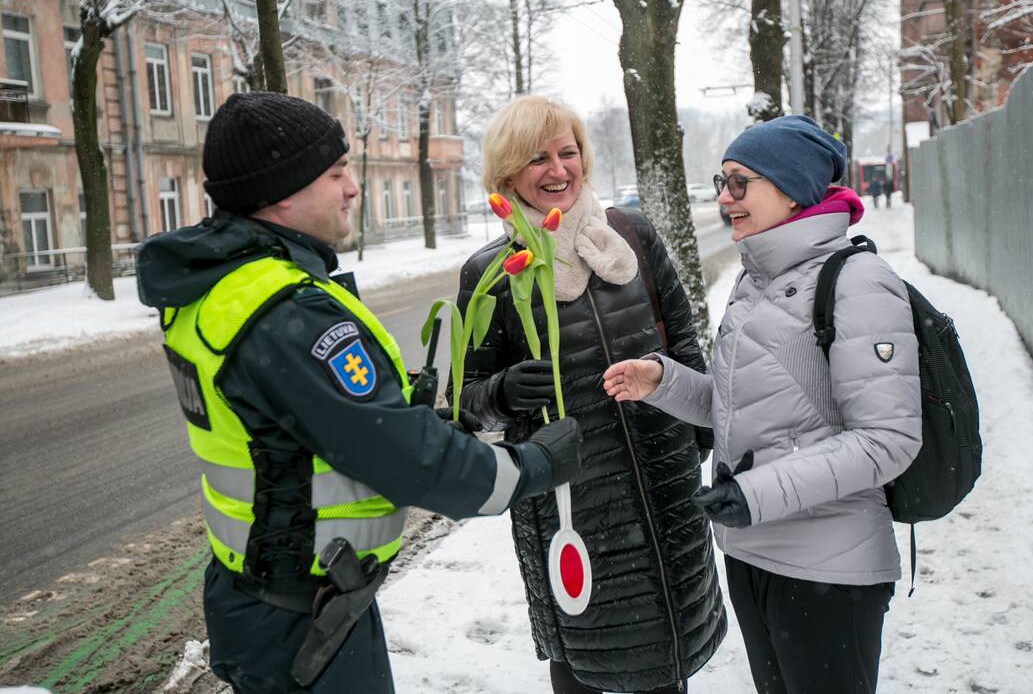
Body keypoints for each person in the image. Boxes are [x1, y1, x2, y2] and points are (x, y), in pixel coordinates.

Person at [135, 91, 583, 694]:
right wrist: (535, 465)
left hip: (265, 591)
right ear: (283, 191)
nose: (352, 188)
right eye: (337, 173)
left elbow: (309, 435)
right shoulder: (285, 313)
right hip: (304, 615)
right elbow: (409, 461)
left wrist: (420, 414)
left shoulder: (225, 290)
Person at [603, 115, 921, 694]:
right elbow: (743, 411)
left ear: (792, 185)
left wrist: (754, 494)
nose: (724, 197)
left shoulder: (859, 282)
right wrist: (664, 381)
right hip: (752, 555)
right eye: (721, 181)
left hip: (829, 565)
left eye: (740, 182)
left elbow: (887, 441)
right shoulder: (757, 283)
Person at [453, 95, 726, 694]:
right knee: (587, 660)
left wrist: (699, 437)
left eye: (567, 152)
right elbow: (462, 404)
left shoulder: (631, 236)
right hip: (570, 507)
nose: (557, 170)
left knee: (667, 650)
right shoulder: (492, 275)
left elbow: (683, 340)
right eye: (536, 159)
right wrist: (500, 393)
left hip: (662, 486)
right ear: (506, 176)